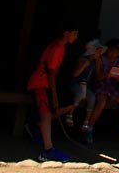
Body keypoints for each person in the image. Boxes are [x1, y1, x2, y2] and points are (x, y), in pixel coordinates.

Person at [26, 24, 79, 162]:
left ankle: (36, 126)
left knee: (62, 107)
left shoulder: (60, 46)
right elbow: (50, 72)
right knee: (46, 113)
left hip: (46, 84)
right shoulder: (57, 47)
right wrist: (54, 96)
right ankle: (47, 151)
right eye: (74, 33)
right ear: (66, 32)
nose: (76, 37)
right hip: (40, 83)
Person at [83, 38, 119, 145]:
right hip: (101, 84)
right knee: (101, 102)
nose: (114, 54)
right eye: (112, 51)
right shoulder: (100, 58)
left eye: (116, 52)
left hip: (112, 86)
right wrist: (106, 75)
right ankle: (90, 128)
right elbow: (97, 76)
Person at [64, 38, 105, 134]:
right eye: (98, 51)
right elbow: (74, 74)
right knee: (79, 94)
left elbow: (98, 76)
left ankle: (86, 120)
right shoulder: (83, 60)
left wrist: (107, 75)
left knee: (92, 98)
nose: (99, 53)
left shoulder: (96, 62)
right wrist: (84, 66)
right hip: (76, 83)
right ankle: (70, 114)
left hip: (87, 86)